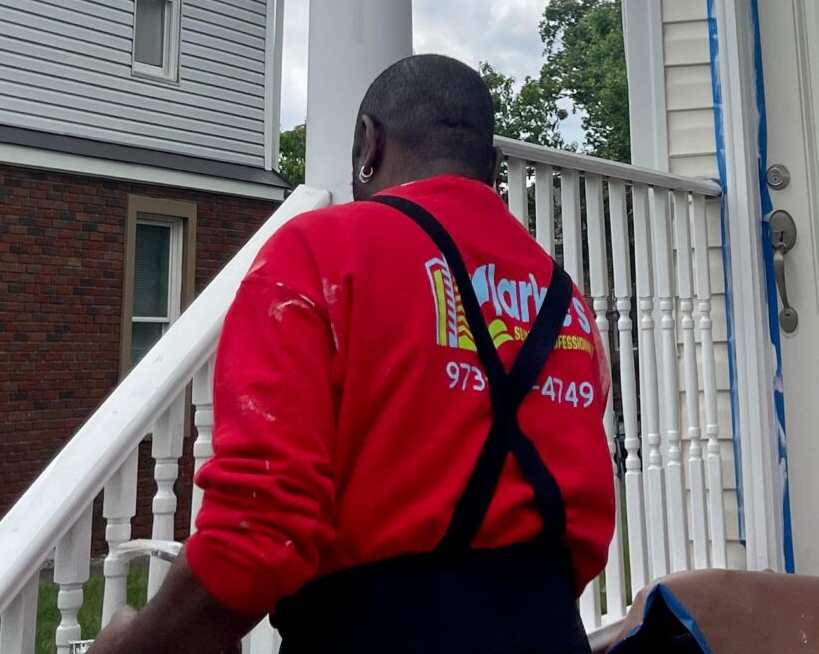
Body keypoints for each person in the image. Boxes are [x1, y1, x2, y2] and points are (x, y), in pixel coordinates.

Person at [89, 54, 616, 654]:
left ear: (369, 141)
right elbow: (583, 523)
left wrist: (135, 647)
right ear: (493, 169)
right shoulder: (564, 298)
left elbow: (258, 532)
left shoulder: (319, 254)